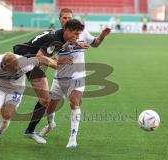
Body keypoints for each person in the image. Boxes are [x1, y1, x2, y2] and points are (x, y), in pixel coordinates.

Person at [0, 19, 85, 144]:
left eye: (79, 34)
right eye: (75, 34)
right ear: (67, 30)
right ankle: (29, 130)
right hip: (25, 60)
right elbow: (39, 58)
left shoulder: (61, 37)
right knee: (44, 99)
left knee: (43, 99)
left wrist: (74, 46)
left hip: (32, 60)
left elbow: (47, 54)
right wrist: (60, 65)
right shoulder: (55, 39)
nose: (77, 37)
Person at [36, 8, 111, 148]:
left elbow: (95, 43)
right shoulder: (56, 37)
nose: (67, 20)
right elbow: (47, 56)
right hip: (60, 77)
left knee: (73, 103)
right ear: (60, 19)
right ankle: (51, 124)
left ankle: (72, 138)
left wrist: (102, 36)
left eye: (69, 18)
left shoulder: (81, 33)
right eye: (64, 18)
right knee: (49, 109)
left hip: (77, 75)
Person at [0, 52, 57, 151]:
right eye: (14, 69)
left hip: (15, 89)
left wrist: (58, 66)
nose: (17, 70)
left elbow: (44, 60)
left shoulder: (25, 64)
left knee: (7, 115)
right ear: (5, 66)